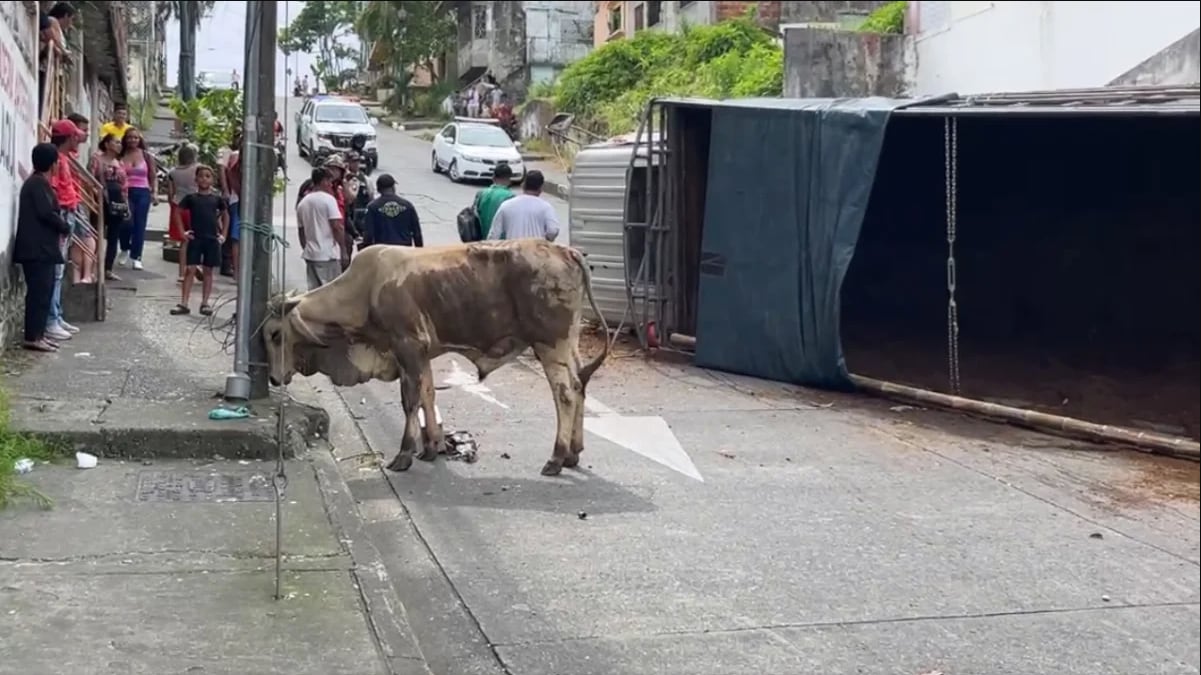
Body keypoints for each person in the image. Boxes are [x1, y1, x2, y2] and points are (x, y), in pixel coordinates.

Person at [15, 143, 71, 352]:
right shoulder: (37, 184)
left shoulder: (40, 184)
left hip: (43, 249)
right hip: (36, 250)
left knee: (44, 293)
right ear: (53, 164)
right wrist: (64, 226)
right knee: (38, 294)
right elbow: (47, 213)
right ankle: (32, 336)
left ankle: (39, 334)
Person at [46, 119, 86, 342]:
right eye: (75, 136)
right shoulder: (56, 160)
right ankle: (51, 319)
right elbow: (52, 190)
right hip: (62, 213)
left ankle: (57, 315)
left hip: (67, 212)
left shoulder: (65, 158)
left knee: (60, 271)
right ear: (69, 137)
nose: (78, 139)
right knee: (56, 270)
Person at [170, 166, 228, 317]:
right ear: (196, 179)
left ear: (212, 180)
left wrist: (223, 234)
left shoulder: (217, 199)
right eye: (201, 176)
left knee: (208, 271)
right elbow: (177, 212)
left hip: (211, 239)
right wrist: (183, 232)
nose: (204, 179)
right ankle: (184, 303)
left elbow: (225, 215)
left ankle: (205, 303)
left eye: (208, 176)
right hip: (195, 238)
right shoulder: (191, 198)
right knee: (190, 270)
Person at [296, 167, 345, 291]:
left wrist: (307, 248)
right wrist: (343, 250)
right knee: (331, 292)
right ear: (323, 181)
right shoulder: (329, 200)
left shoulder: (303, 203)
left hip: (311, 255)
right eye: (329, 181)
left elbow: (301, 231)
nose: (330, 184)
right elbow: (337, 227)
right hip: (328, 255)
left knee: (314, 292)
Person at [117, 127, 156, 270]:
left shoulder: (146, 155)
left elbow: (153, 175)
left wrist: (154, 193)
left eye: (136, 137)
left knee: (140, 224)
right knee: (126, 222)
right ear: (125, 139)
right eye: (130, 137)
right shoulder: (120, 155)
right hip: (125, 192)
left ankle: (137, 256)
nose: (133, 140)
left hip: (143, 191)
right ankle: (124, 248)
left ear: (140, 140)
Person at [486, 170, 560, 242]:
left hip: (513, 251)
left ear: (523, 185)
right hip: (535, 252)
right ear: (541, 188)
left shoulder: (506, 205)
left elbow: (493, 235)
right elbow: (552, 231)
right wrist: (545, 241)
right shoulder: (546, 207)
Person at [92, 133, 127, 281]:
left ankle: (108, 269)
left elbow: (125, 186)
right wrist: (95, 197)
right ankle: (93, 268)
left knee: (113, 237)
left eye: (120, 143)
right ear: (106, 144)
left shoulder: (120, 163)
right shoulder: (97, 159)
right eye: (116, 142)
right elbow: (91, 179)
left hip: (117, 201)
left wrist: (126, 204)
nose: (119, 145)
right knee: (96, 234)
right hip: (101, 200)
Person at [167, 143, 200, 283]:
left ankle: (182, 273)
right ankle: (194, 269)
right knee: (196, 241)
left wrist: (173, 205)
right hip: (196, 206)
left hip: (178, 205)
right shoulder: (197, 169)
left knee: (183, 242)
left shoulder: (173, 172)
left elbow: (170, 193)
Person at [362, 174, 423, 248]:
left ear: (378, 189)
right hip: (404, 251)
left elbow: (368, 234)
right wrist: (419, 251)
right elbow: (417, 233)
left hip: (382, 251)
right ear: (393, 187)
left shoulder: (372, 207)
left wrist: (367, 251)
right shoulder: (407, 205)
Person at [473, 163, 516, 239]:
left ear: (493, 177)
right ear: (509, 179)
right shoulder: (511, 197)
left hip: (481, 239)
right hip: (501, 243)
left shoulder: (481, 193)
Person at [221, 132, 243, 280]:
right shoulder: (235, 156)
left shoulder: (235, 155)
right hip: (237, 199)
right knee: (236, 237)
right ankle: (236, 270)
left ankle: (238, 270)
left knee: (239, 237)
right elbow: (231, 174)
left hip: (239, 199)